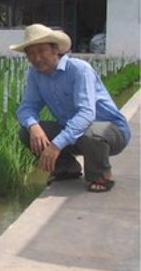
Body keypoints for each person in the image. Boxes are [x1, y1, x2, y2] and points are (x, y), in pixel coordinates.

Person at [10, 23, 131, 192]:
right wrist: (33, 126)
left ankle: (101, 175)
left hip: (110, 131)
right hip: (76, 133)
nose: (36, 58)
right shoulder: (35, 75)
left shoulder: (79, 70)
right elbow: (26, 107)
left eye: (41, 51)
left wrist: (56, 145)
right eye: (31, 53)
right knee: (26, 132)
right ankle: (67, 168)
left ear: (55, 50)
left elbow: (86, 114)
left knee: (89, 132)